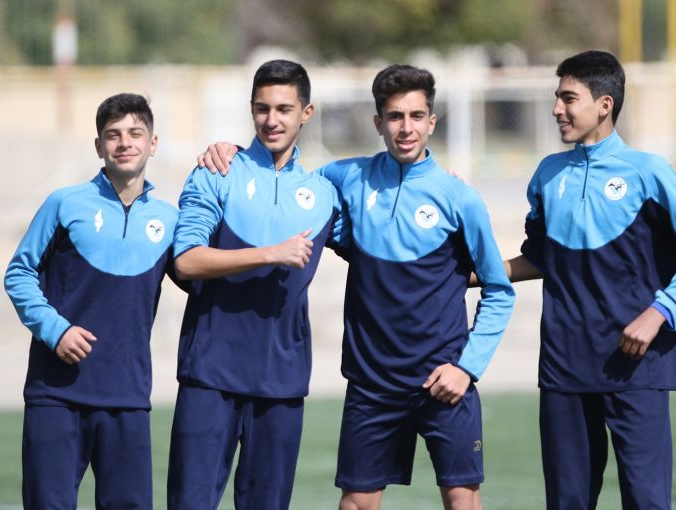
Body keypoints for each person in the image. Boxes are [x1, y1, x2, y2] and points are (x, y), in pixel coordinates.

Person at [200, 64, 515, 510]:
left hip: (443, 379)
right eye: (395, 117)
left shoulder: (460, 198)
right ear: (378, 123)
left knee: (462, 498)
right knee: (357, 502)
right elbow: (286, 176)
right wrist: (234, 152)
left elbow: (499, 291)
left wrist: (466, 368)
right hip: (372, 382)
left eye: (416, 116)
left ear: (432, 122)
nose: (406, 128)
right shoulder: (344, 178)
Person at [504, 51, 676, 509]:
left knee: (646, 501)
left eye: (568, 98)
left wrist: (659, 313)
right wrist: (468, 274)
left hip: (637, 365)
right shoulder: (547, 175)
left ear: (605, 104)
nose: (556, 109)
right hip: (564, 365)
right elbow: (541, 257)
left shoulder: (649, 172)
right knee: (567, 502)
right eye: (556, 98)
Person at [167, 59, 345, 510]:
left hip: (282, 381)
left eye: (284, 109)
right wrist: (270, 253)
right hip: (210, 374)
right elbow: (186, 260)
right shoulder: (216, 171)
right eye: (262, 108)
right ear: (251, 110)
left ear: (306, 113)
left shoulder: (325, 192)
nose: (272, 120)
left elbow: (384, 246)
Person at [4, 93, 178, 509]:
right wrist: (56, 330)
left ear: (153, 143)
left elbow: (204, 276)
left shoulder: (171, 220)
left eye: (135, 133)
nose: (125, 142)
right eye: (113, 135)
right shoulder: (64, 203)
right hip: (55, 395)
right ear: (99, 146)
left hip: (128, 397)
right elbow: (19, 273)